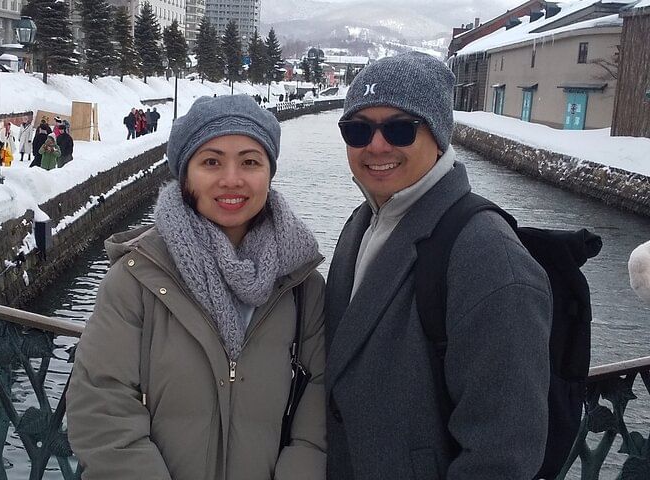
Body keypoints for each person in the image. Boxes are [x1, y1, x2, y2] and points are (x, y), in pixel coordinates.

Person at [67, 95, 327, 480]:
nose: (232, 179)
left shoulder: (302, 284)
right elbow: (103, 405)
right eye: (211, 162)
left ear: (269, 173)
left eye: (250, 162)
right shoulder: (137, 276)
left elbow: (317, 416)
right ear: (184, 174)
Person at [324, 52, 552, 479]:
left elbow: (502, 454)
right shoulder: (363, 222)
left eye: (399, 128)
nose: (376, 146)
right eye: (358, 129)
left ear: (439, 134)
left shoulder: (489, 256)